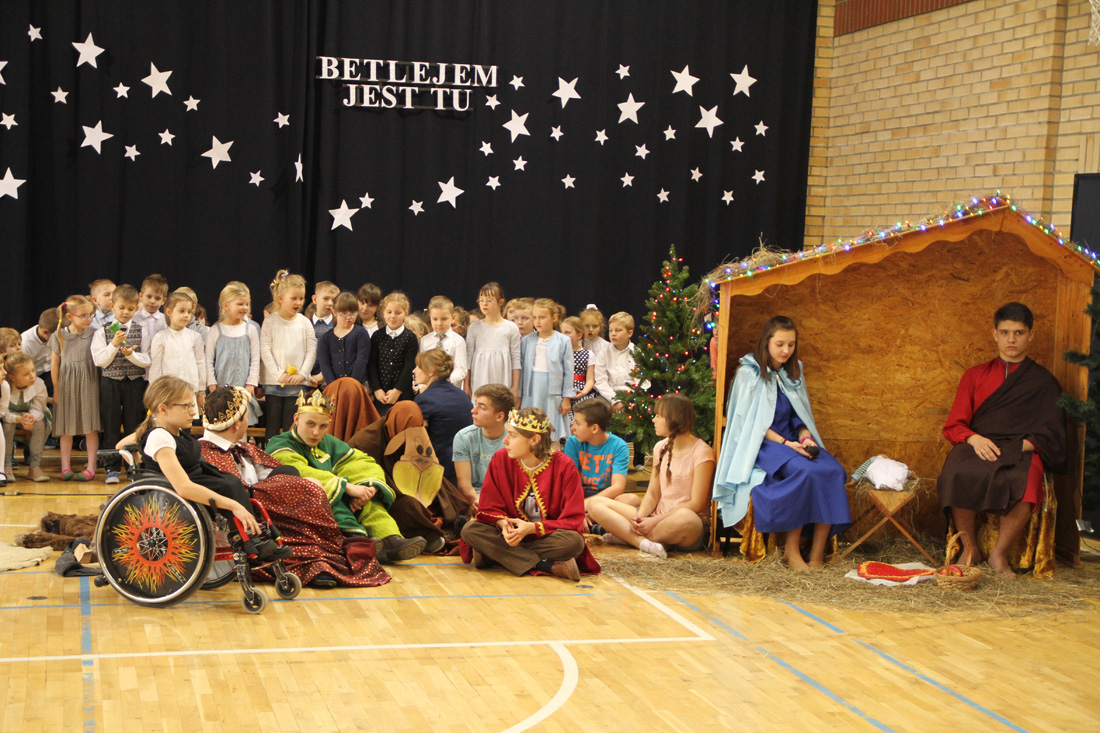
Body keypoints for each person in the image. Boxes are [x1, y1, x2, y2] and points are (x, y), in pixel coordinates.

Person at [198, 386, 390, 588]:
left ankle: (342, 546)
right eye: (247, 416)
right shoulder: (208, 454)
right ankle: (326, 556)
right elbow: (238, 490)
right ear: (237, 424)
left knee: (295, 476)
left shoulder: (242, 449)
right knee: (307, 492)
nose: (316, 432)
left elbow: (270, 470)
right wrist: (299, 487)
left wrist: (302, 481)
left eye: (323, 426)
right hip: (247, 517)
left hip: (263, 506)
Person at [937, 302, 1067, 577]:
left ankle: (999, 555)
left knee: (1027, 476)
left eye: (1019, 333)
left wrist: (1021, 446)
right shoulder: (974, 375)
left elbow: (1052, 433)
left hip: (1021, 447)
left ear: (1030, 335)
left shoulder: (1044, 382)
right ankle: (970, 549)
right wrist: (973, 439)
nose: (1011, 339)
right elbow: (955, 424)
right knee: (957, 470)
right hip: (979, 444)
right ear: (994, 334)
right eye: (1005, 332)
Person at [712, 316, 851, 571]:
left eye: (791, 344)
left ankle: (817, 556)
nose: (786, 350)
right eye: (780, 344)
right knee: (805, 473)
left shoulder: (793, 373)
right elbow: (750, 423)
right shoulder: (748, 373)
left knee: (833, 471)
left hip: (793, 442)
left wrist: (805, 437)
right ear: (767, 342)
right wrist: (787, 443)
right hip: (764, 445)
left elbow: (799, 416)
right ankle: (791, 550)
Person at [130, 376, 289, 563]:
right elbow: (183, 487)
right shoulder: (159, 437)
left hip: (197, 478)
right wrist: (233, 505)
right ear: (163, 409)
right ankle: (247, 538)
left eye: (193, 405)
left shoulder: (175, 433)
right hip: (172, 496)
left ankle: (249, 536)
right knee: (229, 485)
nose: (193, 412)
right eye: (186, 406)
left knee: (231, 482)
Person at [266, 389, 427, 563]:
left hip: (339, 493)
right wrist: (347, 487)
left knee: (370, 502)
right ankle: (357, 540)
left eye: (323, 426)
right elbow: (298, 472)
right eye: (310, 424)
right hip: (301, 507)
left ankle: (389, 539)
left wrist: (368, 488)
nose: (316, 432)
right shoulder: (280, 443)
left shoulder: (328, 442)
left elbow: (360, 462)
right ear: (297, 419)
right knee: (331, 499)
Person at [460, 407, 599, 580]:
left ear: (534, 440)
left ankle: (493, 555)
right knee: (471, 530)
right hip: (508, 535)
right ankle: (547, 565)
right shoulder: (500, 459)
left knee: (574, 542)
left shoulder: (564, 466)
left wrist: (532, 528)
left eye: (512, 435)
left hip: (547, 537)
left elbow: (573, 519)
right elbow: (489, 506)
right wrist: (504, 524)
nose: (505, 441)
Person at [588, 394, 715, 558]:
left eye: (658, 416)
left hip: (685, 524)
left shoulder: (702, 452)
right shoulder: (660, 447)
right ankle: (644, 543)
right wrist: (640, 517)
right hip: (655, 517)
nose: (653, 420)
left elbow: (697, 504)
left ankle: (628, 537)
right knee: (595, 504)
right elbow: (653, 493)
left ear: (673, 418)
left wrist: (654, 521)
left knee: (685, 517)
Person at [91, 284, 151, 484]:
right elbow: (99, 361)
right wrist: (114, 345)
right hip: (110, 382)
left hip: (135, 383)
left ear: (137, 308)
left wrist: (131, 355)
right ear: (113, 306)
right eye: (122, 307)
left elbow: (147, 360)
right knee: (111, 425)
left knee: (135, 425)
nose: (125, 312)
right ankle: (112, 468)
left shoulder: (142, 331)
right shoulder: (103, 331)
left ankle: (134, 467)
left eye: (131, 308)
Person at [259, 269, 316, 439]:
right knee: (272, 425)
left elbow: (312, 351)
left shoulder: (305, 323)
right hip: (274, 382)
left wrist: (302, 374)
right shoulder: (270, 321)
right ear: (281, 298)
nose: (298, 302)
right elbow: (265, 350)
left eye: (301, 298)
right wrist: (278, 374)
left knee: (290, 426)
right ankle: (270, 454)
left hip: (297, 382)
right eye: (294, 298)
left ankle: (288, 453)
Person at [50, 295, 101, 481]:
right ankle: (65, 467)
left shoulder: (95, 334)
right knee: (66, 427)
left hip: (89, 383)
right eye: (83, 316)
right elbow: (55, 364)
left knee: (90, 427)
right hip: (66, 385)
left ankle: (91, 466)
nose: (88, 319)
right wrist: (56, 388)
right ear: (70, 316)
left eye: (91, 315)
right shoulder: (59, 335)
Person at [205, 281, 262, 425]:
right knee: (222, 421)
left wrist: (251, 383)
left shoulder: (251, 330)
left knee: (241, 424)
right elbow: (208, 361)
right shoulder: (216, 330)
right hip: (221, 386)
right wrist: (212, 384)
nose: (245, 307)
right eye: (240, 304)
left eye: (247, 304)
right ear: (226, 305)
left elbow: (255, 359)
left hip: (243, 388)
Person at [413, 348, 473, 485]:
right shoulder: (462, 395)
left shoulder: (425, 399)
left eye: (418, 367)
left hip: (439, 471)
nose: (414, 370)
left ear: (431, 371)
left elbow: (415, 437)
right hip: (464, 468)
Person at [519, 298, 574, 441]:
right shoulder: (526, 341)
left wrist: (566, 398)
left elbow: (568, 371)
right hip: (531, 391)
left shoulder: (563, 341)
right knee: (530, 427)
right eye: (535, 317)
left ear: (554, 318)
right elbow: (522, 371)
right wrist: (519, 395)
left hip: (552, 393)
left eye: (542, 317)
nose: (537, 321)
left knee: (551, 430)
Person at [453, 384, 515, 506]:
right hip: (475, 498)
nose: (473, 410)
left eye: (482, 407)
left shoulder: (515, 439)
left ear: (499, 416)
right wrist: (478, 502)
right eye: (475, 404)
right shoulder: (463, 437)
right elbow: (464, 485)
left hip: (506, 498)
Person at [562, 400, 630, 512]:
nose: (573, 427)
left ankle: (589, 516)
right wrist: (577, 504)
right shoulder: (573, 442)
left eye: (578, 423)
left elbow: (618, 487)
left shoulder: (619, 446)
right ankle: (593, 518)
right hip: (578, 496)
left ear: (594, 428)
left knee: (630, 499)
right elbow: (568, 483)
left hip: (604, 499)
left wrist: (585, 506)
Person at [149, 292, 206, 415]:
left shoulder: (195, 336)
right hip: (168, 393)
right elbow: (155, 368)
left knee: (188, 422)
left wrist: (201, 390)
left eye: (189, 312)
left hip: (189, 391)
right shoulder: (160, 337)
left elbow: (200, 362)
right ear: (169, 312)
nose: (186, 315)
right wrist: (155, 393)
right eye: (181, 311)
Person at [465, 282, 521, 401]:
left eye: (489, 300)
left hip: (502, 377)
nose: (484, 304)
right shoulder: (474, 327)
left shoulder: (511, 327)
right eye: (481, 300)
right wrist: (466, 385)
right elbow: (468, 358)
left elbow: (516, 359)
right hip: (480, 377)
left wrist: (515, 387)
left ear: (500, 302)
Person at [2, 353, 51, 482]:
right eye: (26, 374)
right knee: (7, 426)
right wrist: (18, 419)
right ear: (12, 377)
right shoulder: (5, 386)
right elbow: (3, 412)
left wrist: (30, 418)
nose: (33, 376)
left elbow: (39, 408)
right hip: (10, 418)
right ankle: (6, 466)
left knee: (39, 424)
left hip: (30, 417)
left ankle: (34, 467)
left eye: (33, 370)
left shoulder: (39, 384)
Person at [367, 291, 418, 415]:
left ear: (405, 314)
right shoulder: (377, 336)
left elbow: (409, 366)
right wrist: (377, 389)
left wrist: (398, 390)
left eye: (398, 313)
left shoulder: (410, 337)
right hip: (381, 395)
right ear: (383, 313)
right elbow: (372, 364)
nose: (393, 316)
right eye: (389, 312)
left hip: (402, 394)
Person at [317, 291, 370, 386]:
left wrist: (351, 385)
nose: (348, 317)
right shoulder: (326, 338)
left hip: (357, 385)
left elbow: (361, 361)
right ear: (334, 312)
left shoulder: (361, 334)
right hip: (334, 387)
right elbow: (325, 366)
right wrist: (334, 387)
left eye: (352, 313)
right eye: (344, 314)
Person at [594, 311, 641, 413]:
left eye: (618, 330)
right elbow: (600, 380)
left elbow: (641, 381)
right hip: (608, 395)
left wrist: (631, 399)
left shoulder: (637, 353)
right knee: (597, 408)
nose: (613, 334)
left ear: (630, 333)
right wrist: (615, 400)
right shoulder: (604, 352)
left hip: (631, 396)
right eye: (611, 330)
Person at [419, 295, 468, 389]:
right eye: (435, 319)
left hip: (450, 388)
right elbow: (421, 366)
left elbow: (461, 369)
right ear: (430, 318)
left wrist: (445, 383)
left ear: (453, 317)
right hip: (428, 388)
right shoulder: (425, 341)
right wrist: (423, 385)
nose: (439, 323)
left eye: (444, 319)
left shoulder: (458, 341)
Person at [561, 316, 596, 420]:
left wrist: (584, 392)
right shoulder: (558, 354)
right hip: (562, 394)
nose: (563, 336)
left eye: (567, 332)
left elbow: (590, 380)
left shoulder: (588, 354)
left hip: (580, 393)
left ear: (579, 335)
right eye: (561, 332)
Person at [131, 273, 168, 345]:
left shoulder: (166, 321)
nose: (152, 301)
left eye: (157, 298)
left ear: (163, 301)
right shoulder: (133, 318)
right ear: (141, 296)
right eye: (149, 296)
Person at [21, 308, 56, 383]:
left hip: (50, 369)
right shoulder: (25, 344)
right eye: (58, 337)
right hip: (34, 377)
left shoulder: (51, 333)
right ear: (45, 332)